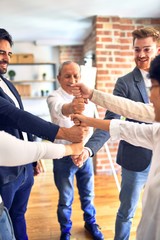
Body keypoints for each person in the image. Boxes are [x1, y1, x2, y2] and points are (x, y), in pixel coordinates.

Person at [72, 27, 160, 240]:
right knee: (127, 211)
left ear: (157, 49)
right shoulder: (125, 82)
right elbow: (117, 121)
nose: (141, 55)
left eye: (146, 49)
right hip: (135, 161)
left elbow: (143, 114)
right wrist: (88, 149)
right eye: (137, 49)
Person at [0, 28, 88, 240]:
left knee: (19, 215)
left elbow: (20, 118)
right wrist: (66, 132)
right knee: (5, 222)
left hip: (25, 169)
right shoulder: (54, 97)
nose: (6, 58)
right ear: (59, 78)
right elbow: (17, 116)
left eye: (9, 54)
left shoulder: (7, 83)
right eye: (1, 52)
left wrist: (35, 157)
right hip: (5, 173)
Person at [47, 61, 104, 240]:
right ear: (59, 78)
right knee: (66, 198)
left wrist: (86, 148)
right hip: (63, 155)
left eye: (76, 76)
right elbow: (60, 110)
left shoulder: (88, 95)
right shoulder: (53, 96)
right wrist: (72, 107)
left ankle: (90, 222)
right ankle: (65, 230)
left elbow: (95, 124)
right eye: (67, 76)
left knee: (88, 193)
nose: (72, 80)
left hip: (84, 154)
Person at [0, 130, 83, 240]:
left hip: (26, 169)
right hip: (6, 176)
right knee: (3, 220)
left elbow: (25, 130)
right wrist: (70, 148)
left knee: (19, 213)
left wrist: (34, 162)